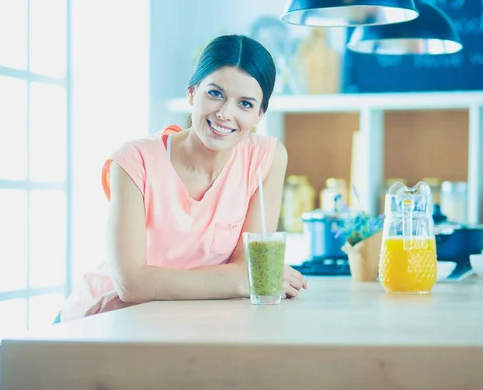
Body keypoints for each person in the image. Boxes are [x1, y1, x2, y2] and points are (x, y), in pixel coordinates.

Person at [58, 34, 308, 322]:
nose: (226, 113)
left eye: (246, 104)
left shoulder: (267, 158)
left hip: (176, 320)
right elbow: (131, 284)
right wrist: (241, 280)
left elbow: (247, 266)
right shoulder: (132, 161)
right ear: (192, 94)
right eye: (215, 94)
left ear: (259, 115)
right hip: (98, 320)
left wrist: (243, 275)